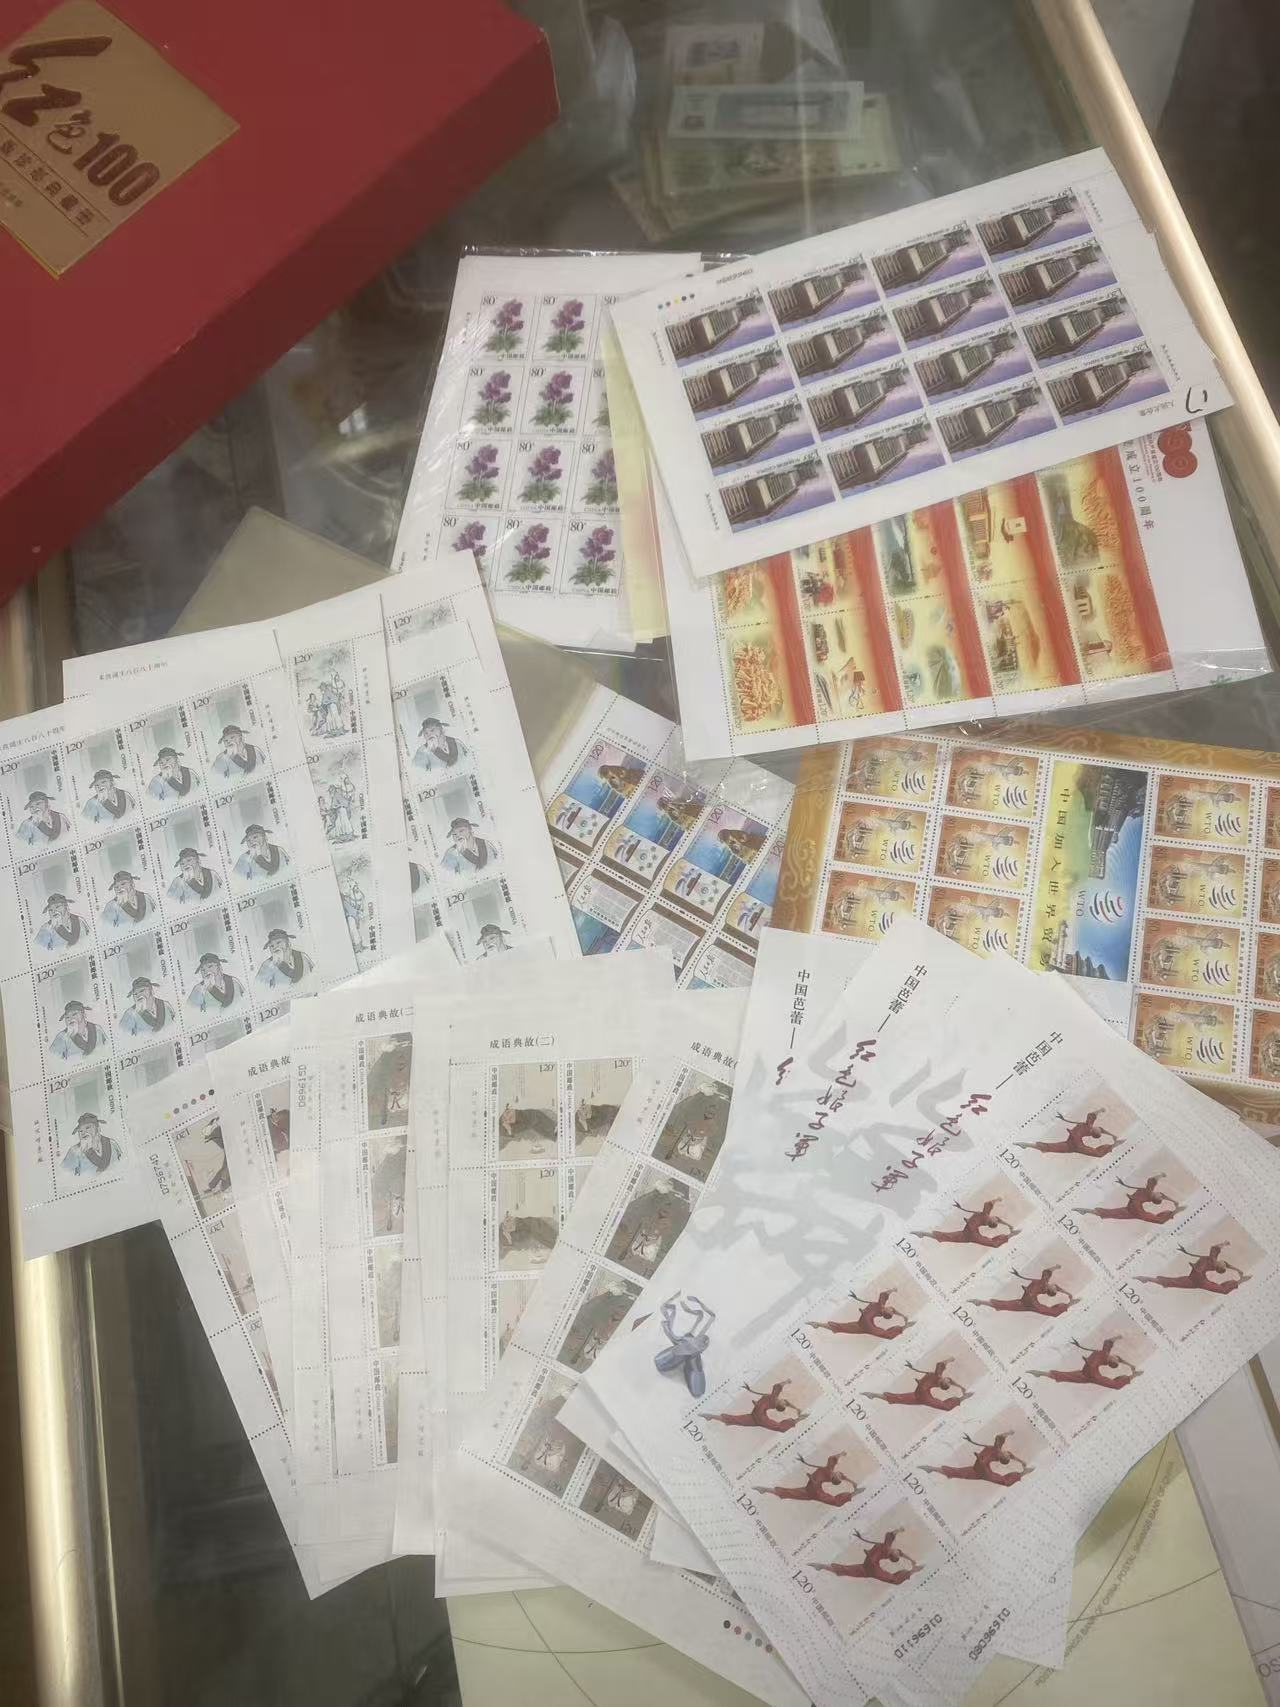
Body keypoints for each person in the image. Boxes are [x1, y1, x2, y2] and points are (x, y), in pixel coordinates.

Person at [652, 1294, 715, 1397]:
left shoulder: (691, 1337)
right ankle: (690, 1360)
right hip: (684, 1347)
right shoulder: (691, 1337)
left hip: (680, 1350)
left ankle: (688, 1357)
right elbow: (709, 1317)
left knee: (684, 1353)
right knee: (689, 1355)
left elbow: (709, 1317)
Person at [810, 1530, 920, 1585]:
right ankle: (821, 1566)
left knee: (846, 1570)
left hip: (871, 1568)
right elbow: (901, 1552)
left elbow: (895, 1542)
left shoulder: (887, 1548)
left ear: (892, 1555)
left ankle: (821, 1566)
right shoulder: (888, 1547)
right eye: (898, 1552)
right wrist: (911, 1560)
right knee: (845, 1570)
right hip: (868, 1567)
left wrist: (899, 1530)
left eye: (897, 1553)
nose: (898, 1551)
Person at [1137, 1242, 1248, 1294]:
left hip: (1197, 1279)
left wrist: (1224, 1244)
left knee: (1172, 1282)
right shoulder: (1213, 1261)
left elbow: (1215, 1249)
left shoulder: (1213, 1261)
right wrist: (1238, 1270)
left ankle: (1147, 1279)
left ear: (1219, 1266)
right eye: (1224, 1263)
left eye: (1223, 1264)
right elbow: (1222, 1258)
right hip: (1196, 1279)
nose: (1223, 1262)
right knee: (1172, 1282)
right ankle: (1146, 1279)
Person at [921, 1434, 1030, 1486]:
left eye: (1006, 1455)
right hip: (976, 1470)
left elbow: (1005, 1455)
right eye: (1007, 1454)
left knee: (1002, 1480)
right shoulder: (995, 1449)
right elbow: (984, 1444)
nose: (1007, 1453)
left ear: (1002, 1458)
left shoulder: (996, 1453)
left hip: (983, 1470)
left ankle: (1021, 1474)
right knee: (956, 1472)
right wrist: (1022, 1461)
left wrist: (979, 1458)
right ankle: (931, 1468)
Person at [1031, 1337, 1140, 1389]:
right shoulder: (1106, 1353)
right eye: (1116, 1357)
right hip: (1087, 1373)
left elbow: (1109, 1343)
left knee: (1064, 1375)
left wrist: (1132, 1371)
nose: (1116, 1356)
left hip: (1091, 1374)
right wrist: (1130, 1365)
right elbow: (1110, 1343)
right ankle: (1040, 1373)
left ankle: (1040, 1373)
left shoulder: (1105, 1354)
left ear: (1112, 1361)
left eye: (1115, 1358)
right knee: (1064, 1375)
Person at [866, 1357, 971, 1411]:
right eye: (948, 1379)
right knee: (896, 1398)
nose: (948, 1378)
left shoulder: (937, 1376)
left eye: (947, 1380)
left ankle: (962, 1399)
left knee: (946, 1407)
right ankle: (873, 1395)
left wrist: (949, 1360)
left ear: (941, 1383)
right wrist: (961, 1387)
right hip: (918, 1395)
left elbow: (941, 1365)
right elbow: (941, 1365)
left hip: (924, 1397)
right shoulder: (938, 1376)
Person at [756, 1451, 860, 1506]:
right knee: (789, 1492)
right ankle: (764, 1489)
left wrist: (841, 1454)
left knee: (789, 1492)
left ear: (834, 1477)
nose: (840, 1474)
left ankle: (764, 1489)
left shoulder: (829, 1471)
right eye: (840, 1475)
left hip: (814, 1491)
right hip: (811, 1490)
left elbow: (832, 1460)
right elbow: (833, 1460)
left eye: (839, 1475)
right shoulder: (830, 1470)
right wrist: (852, 1482)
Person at [971, 1265, 1077, 1317]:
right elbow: (1048, 1274)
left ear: (1051, 1290)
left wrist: (1070, 1301)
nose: (1055, 1286)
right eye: (1055, 1287)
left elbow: (1047, 1273)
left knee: (1049, 1311)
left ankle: (980, 1302)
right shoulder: (1045, 1283)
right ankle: (980, 1302)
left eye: (1054, 1288)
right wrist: (1068, 1293)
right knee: (1004, 1305)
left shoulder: (1044, 1283)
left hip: (1031, 1302)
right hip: (1025, 1302)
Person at [702, 1379, 807, 1432]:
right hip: (757, 1416)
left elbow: (778, 1387)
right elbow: (784, 1399)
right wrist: (796, 1408)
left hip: (760, 1416)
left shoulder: (774, 1398)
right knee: (735, 1419)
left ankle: (710, 1416)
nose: (785, 1401)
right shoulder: (774, 1399)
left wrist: (786, 1382)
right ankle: (710, 1416)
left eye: (784, 1403)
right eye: (785, 1402)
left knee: (735, 1419)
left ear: (780, 1405)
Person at [811, 1288, 913, 1340]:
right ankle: (818, 1324)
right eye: (891, 1308)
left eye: (890, 1310)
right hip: (862, 1324)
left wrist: (893, 1290)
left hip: (867, 1323)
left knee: (884, 1334)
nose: (890, 1308)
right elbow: (886, 1298)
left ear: (887, 1313)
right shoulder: (881, 1307)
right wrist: (903, 1315)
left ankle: (904, 1327)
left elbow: (884, 1295)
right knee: (842, 1327)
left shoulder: (881, 1307)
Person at [1077, 1174, 1182, 1224]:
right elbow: (1154, 1183)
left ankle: (1086, 1211)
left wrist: (1161, 1175)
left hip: (1135, 1209)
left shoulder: (1149, 1192)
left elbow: (1152, 1180)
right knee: (1110, 1213)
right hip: (1133, 1209)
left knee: (1110, 1213)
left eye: (1160, 1196)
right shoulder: (1149, 1193)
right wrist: (1173, 1202)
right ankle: (1086, 1211)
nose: (1161, 1194)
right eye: (1161, 1195)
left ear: (1155, 1198)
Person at [914, 1198, 1017, 1248]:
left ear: (992, 1221)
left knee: (948, 1236)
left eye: (995, 1219)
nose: (996, 1217)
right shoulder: (986, 1216)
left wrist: (997, 1199)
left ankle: (923, 1234)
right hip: (968, 1234)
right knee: (947, 1236)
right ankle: (923, 1234)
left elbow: (989, 1204)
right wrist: (1009, 1225)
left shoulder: (985, 1215)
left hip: (971, 1233)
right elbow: (998, 1219)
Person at [1018, 1107, 1120, 1158]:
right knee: (1050, 1147)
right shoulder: (1088, 1127)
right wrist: (1113, 1137)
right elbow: (1099, 1126)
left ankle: (1027, 1144)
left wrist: (1100, 1110)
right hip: (1073, 1145)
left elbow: (1093, 1117)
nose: (1099, 1128)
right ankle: (1026, 1144)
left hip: (1074, 1144)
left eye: (1097, 1129)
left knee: (1049, 1147)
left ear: (1093, 1131)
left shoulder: (1088, 1126)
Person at [61, 1111, 121, 1177]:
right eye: (80, 1131)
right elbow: (63, 1174)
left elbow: (123, 1162)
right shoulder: (74, 1151)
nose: (83, 1133)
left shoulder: (111, 1143)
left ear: (98, 1129)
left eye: (87, 1128)